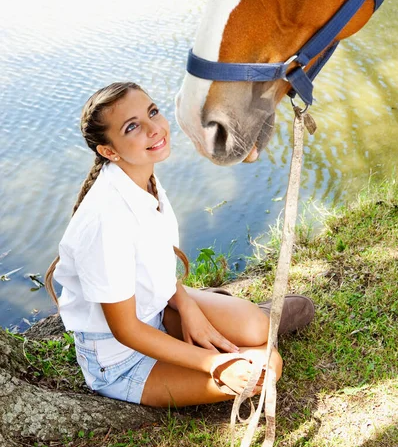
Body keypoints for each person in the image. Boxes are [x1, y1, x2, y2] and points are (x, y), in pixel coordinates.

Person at [45, 82, 314, 408]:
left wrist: (187, 307)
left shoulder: (142, 177)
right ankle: (237, 332)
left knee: (256, 327)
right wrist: (216, 364)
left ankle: (246, 322)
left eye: (152, 112)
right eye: (132, 127)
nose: (154, 128)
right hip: (121, 359)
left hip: (156, 312)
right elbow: (127, 331)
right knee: (267, 366)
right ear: (109, 151)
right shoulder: (105, 221)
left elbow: (153, 263)